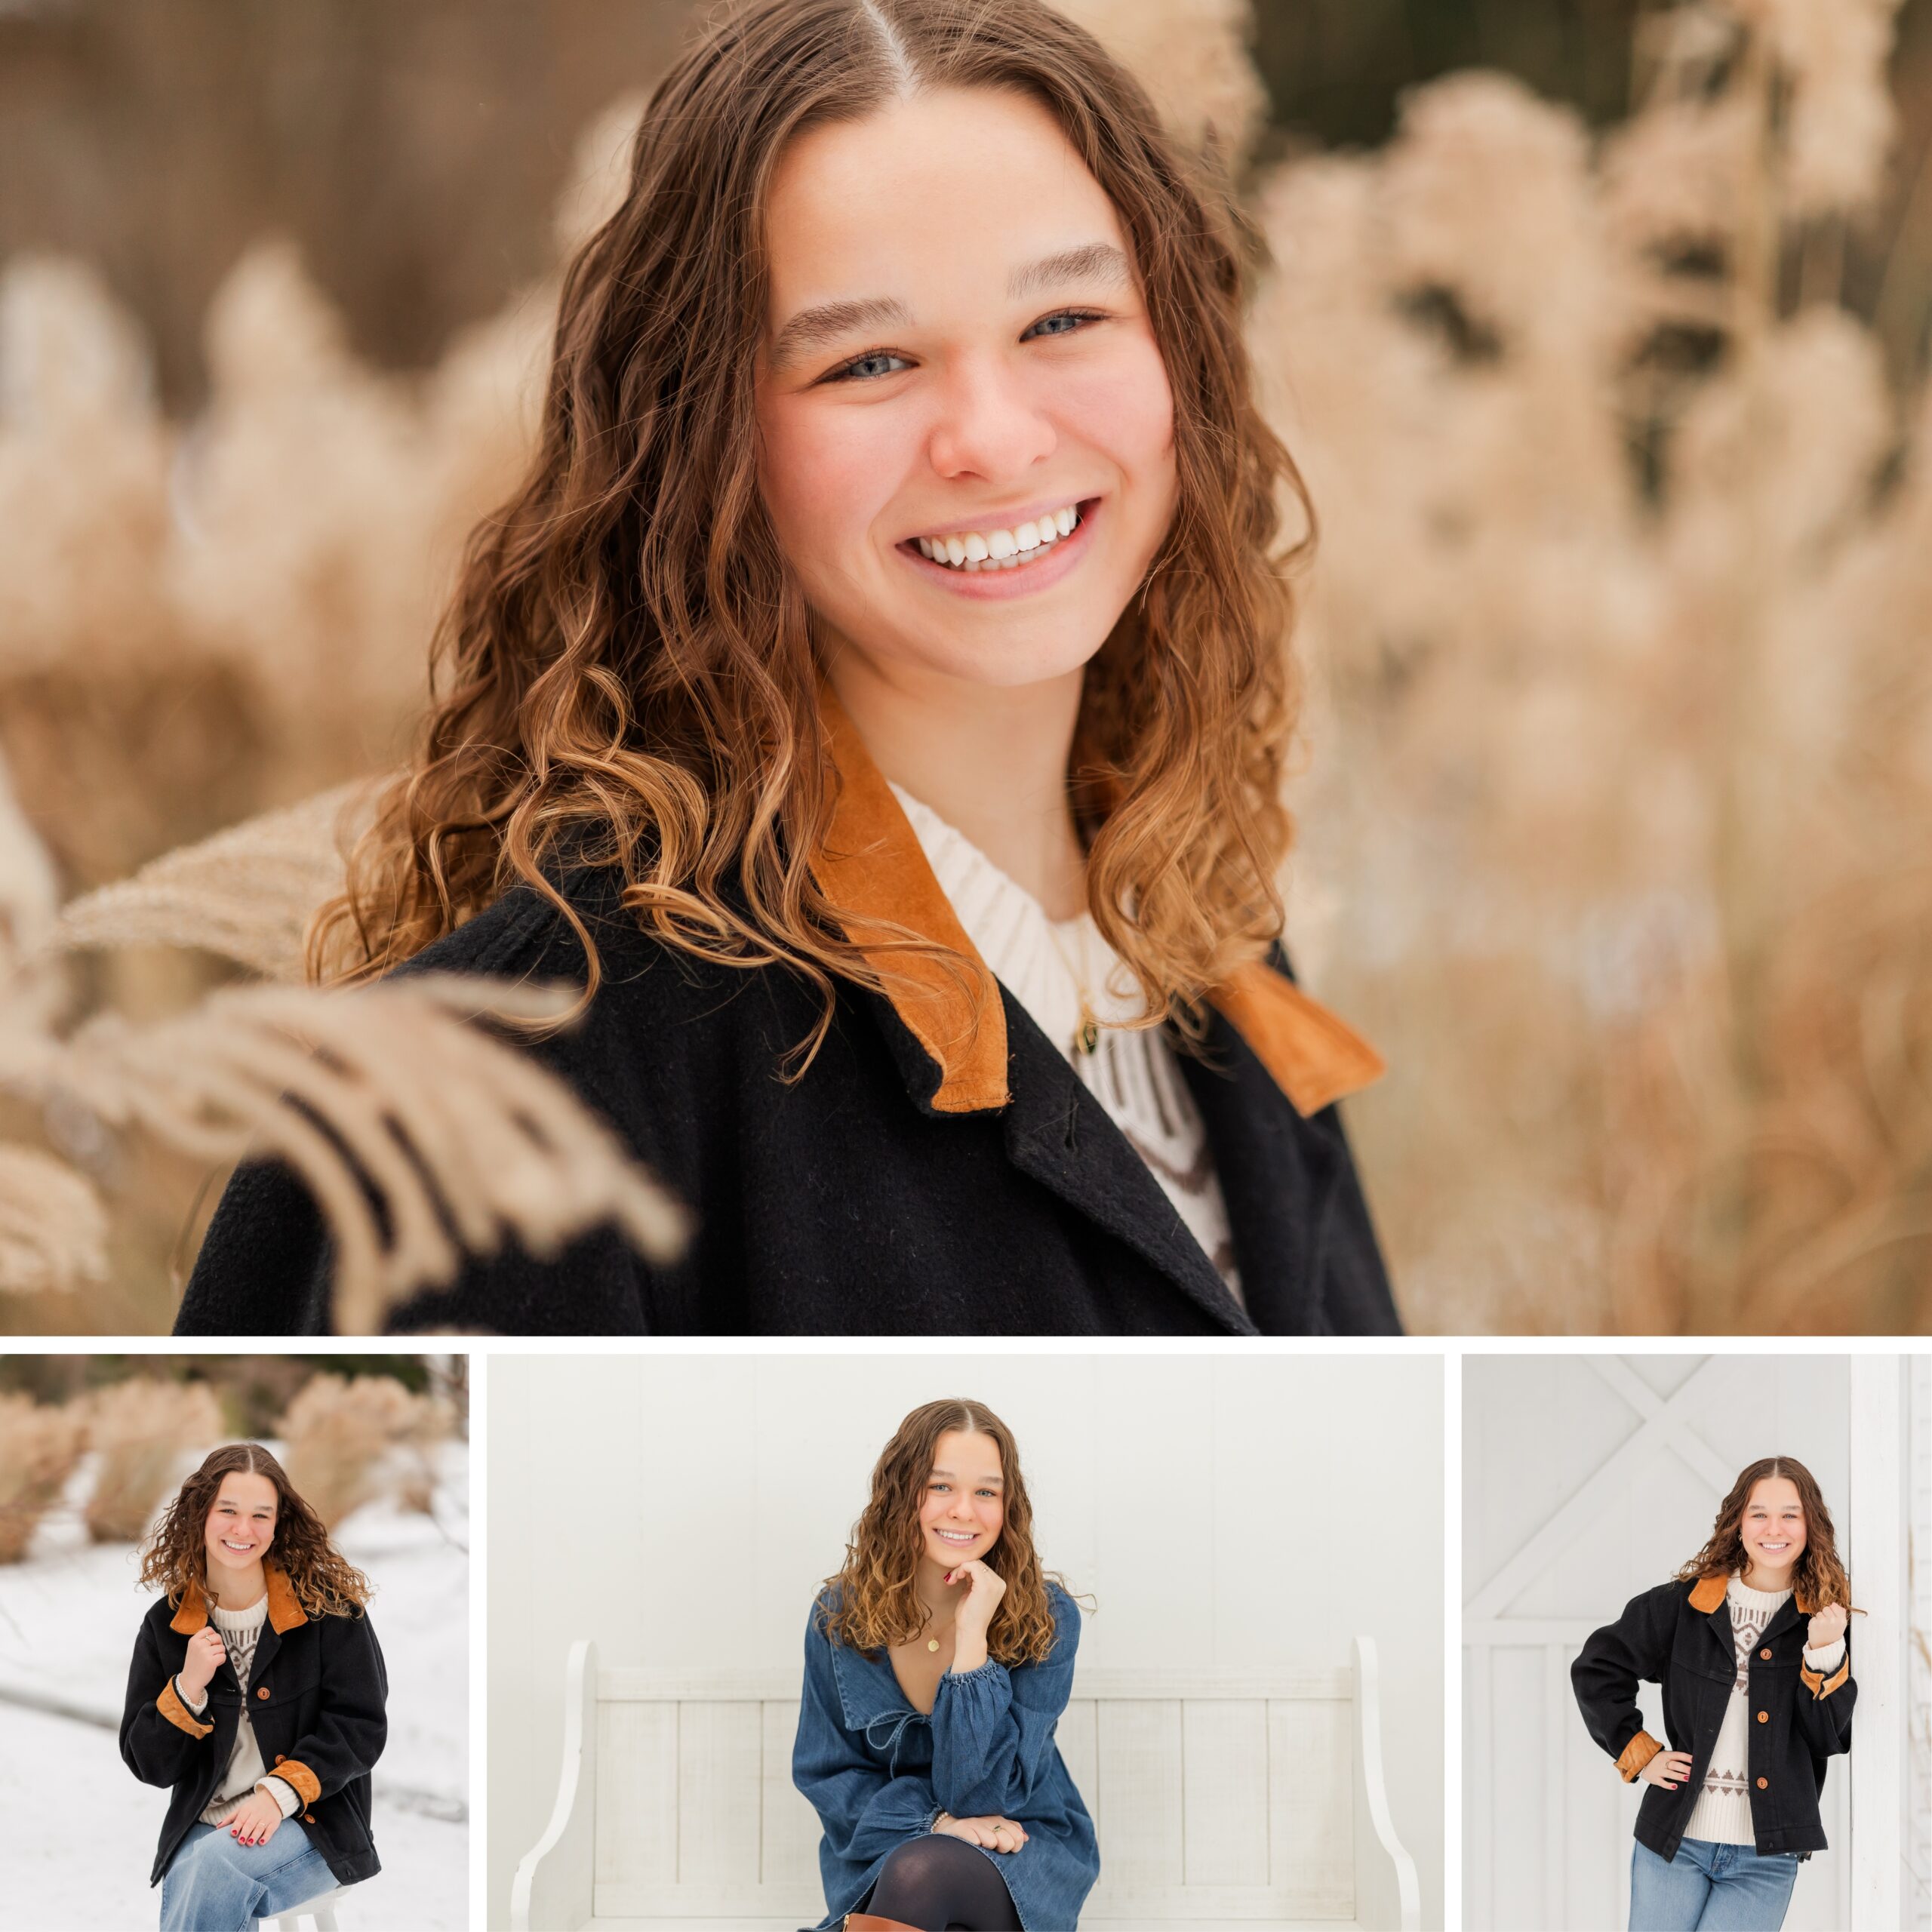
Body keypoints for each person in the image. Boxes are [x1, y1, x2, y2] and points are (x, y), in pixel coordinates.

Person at [177, 0, 1397, 1338]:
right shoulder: (496, 1096)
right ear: (704, 440)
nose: (994, 439)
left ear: (1181, 355)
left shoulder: (1222, 968)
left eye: (1064, 318)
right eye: (868, 361)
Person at [794, 1399, 1097, 1930]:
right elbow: (827, 1774)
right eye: (940, 1486)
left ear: (1009, 1506)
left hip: (1018, 1844)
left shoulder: (1048, 1618)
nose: (963, 1511)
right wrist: (933, 1821)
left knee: (922, 1871)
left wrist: (973, 1643)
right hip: (884, 1847)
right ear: (900, 1492)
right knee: (917, 1874)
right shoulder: (838, 1617)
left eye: (986, 1492)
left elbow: (987, 1798)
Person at [1571, 1457, 1857, 1931]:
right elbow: (1598, 1668)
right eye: (1759, 1513)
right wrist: (1640, 1754)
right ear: (1738, 1522)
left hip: (1766, 1859)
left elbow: (1826, 1738)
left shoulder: (1824, 1621)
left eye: (1790, 1514)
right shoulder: (1684, 1606)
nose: (1774, 1529)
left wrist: (1824, 1653)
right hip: (1674, 1843)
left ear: (1811, 1524)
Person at [119, 1441, 388, 1932]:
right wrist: (188, 1688)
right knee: (203, 1865)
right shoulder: (166, 1626)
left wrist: (279, 1793)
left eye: (261, 1515)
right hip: (208, 1826)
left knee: (213, 1869)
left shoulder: (329, 1611)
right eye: (228, 1511)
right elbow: (151, 1766)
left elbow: (360, 1727)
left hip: (313, 1826)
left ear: (279, 1523)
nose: (244, 1530)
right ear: (200, 1514)